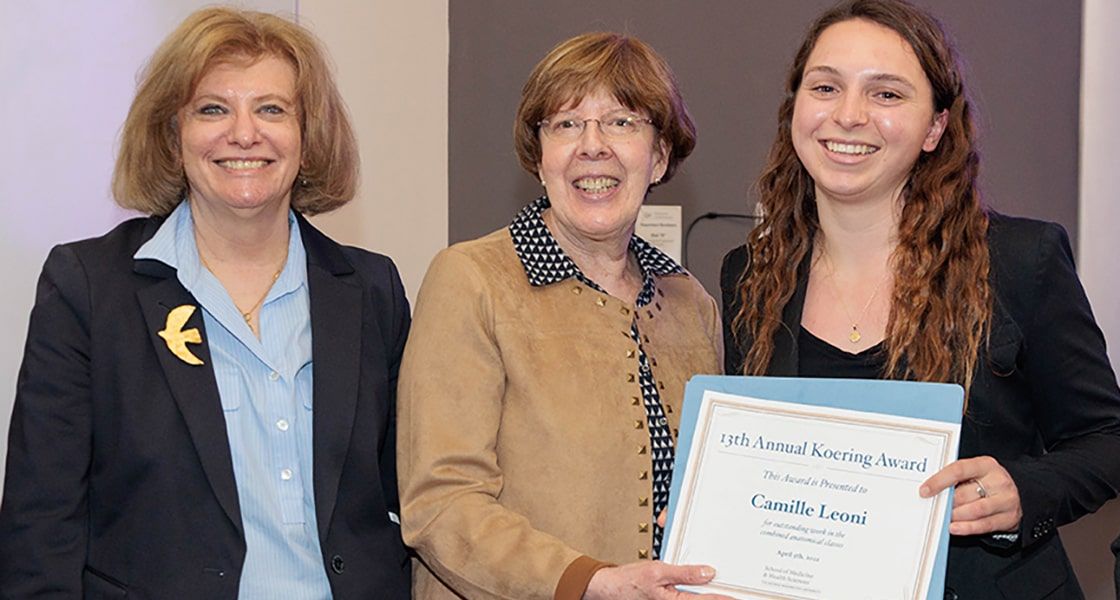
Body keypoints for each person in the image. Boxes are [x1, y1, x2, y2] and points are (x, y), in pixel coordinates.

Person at [719, 0, 1120, 598]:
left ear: (935, 127)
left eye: (886, 94)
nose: (848, 115)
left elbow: (1109, 444)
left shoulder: (1020, 260)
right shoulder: (751, 276)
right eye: (826, 87)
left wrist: (1024, 490)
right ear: (796, 109)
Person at [0, 8, 410, 598]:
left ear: (308, 133)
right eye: (212, 108)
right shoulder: (89, 287)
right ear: (173, 133)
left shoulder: (373, 290)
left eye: (272, 109)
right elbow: (40, 526)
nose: (244, 133)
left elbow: (405, 499)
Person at [398, 32, 727, 600]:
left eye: (622, 122)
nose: (592, 146)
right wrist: (586, 583)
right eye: (567, 124)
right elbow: (441, 504)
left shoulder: (690, 303)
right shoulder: (472, 280)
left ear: (660, 156)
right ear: (540, 155)